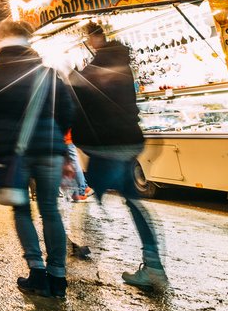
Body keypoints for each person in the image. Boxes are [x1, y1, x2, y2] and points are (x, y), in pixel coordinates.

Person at [0, 19, 74, 299]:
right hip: (51, 148)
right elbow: (67, 110)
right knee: (50, 209)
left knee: (21, 211)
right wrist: (58, 142)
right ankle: (58, 276)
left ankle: (37, 272)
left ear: (0, 40)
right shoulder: (48, 73)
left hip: (13, 152)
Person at [70, 21, 168, 291]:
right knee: (132, 202)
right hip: (128, 140)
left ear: (93, 39)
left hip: (105, 145)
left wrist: (73, 80)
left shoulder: (93, 69)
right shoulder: (124, 65)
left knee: (91, 197)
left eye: (89, 38)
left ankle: (81, 246)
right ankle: (154, 265)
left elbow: (80, 105)